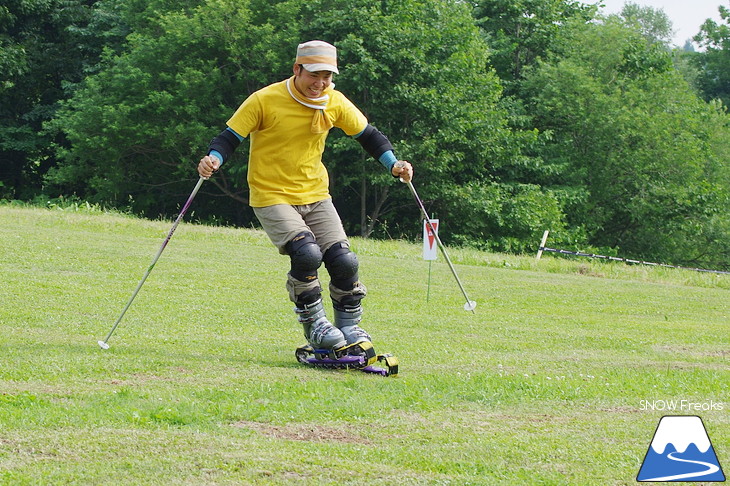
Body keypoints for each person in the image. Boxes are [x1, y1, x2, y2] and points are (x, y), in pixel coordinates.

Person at [198, 40, 413, 352]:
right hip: (271, 194)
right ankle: (315, 325)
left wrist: (395, 165)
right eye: (314, 75)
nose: (320, 83)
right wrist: (214, 158)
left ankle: (349, 327)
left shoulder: (334, 101)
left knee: (344, 260)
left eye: (327, 76)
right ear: (296, 69)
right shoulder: (265, 99)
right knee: (307, 253)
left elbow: (369, 136)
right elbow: (229, 137)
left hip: (316, 193)